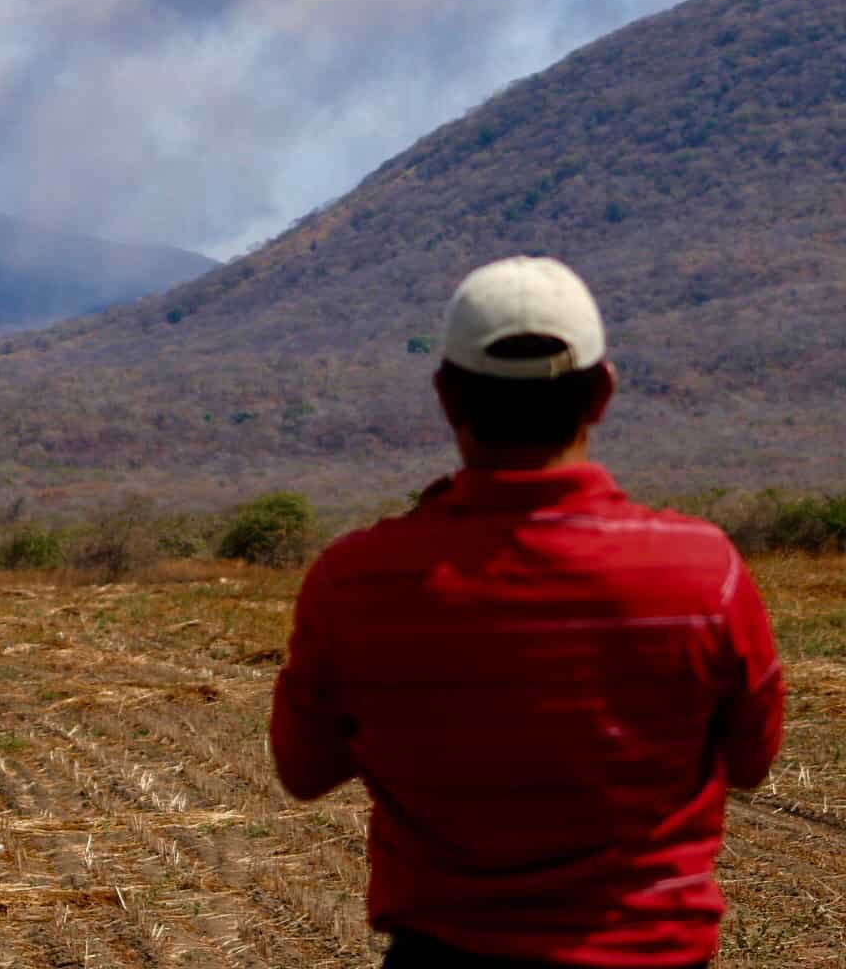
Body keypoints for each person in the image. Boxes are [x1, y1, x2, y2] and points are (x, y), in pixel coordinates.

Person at [270, 255, 783, 968]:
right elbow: (753, 763)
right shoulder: (706, 574)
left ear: (448, 396)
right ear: (602, 393)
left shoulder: (354, 581)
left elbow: (302, 771)